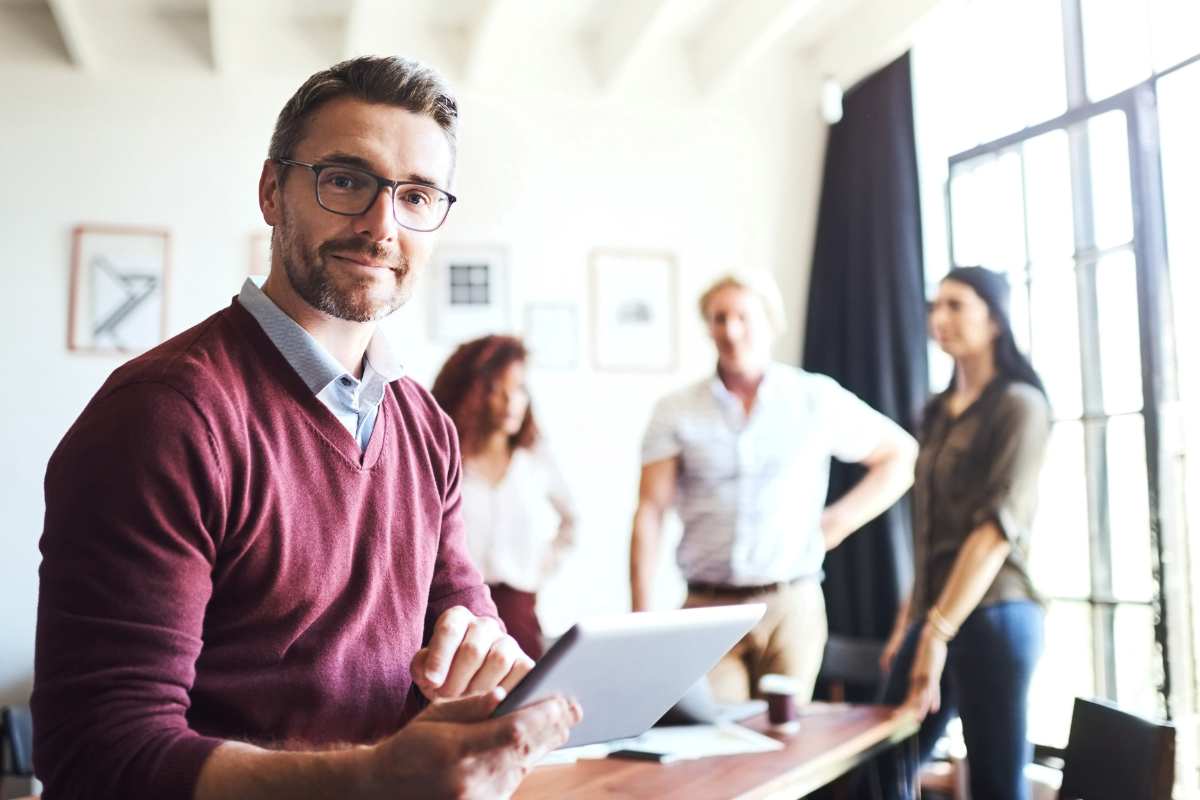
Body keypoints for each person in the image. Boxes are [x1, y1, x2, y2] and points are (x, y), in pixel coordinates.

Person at [32, 56, 580, 800]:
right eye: (347, 180)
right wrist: (372, 778)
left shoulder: (425, 425)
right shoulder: (163, 415)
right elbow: (97, 755)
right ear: (271, 191)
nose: (382, 226)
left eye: (416, 195)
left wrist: (481, 655)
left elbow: (466, 613)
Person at [630, 269, 918, 703]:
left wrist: (835, 522)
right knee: (717, 749)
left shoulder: (814, 398)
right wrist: (642, 616)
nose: (731, 329)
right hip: (708, 608)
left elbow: (901, 456)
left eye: (743, 316)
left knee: (784, 748)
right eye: (719, 318)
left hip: (792, 605)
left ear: (771, 323)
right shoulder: (675, 411)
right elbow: (650, 511)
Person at [870, 267, 1051, 800]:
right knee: (882, 775)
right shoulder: (938, 411)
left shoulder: (1020, 405)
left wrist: (935, 632)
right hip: (933, 617)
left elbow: (996, 530)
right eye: (934, 306)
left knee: (996, 784)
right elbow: (931, 534)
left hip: (996, 617)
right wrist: (910, 622)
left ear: (994, 320)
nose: (938, 318)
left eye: (956, 305)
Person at [431, 335, 578, 661]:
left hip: (520, 612)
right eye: (498, 389)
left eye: (521, 388)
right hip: (454, 617)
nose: (511, 401)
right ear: (471, 392)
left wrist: (539, 565)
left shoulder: (536, 458)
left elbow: (573, 519)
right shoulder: (445, 458)